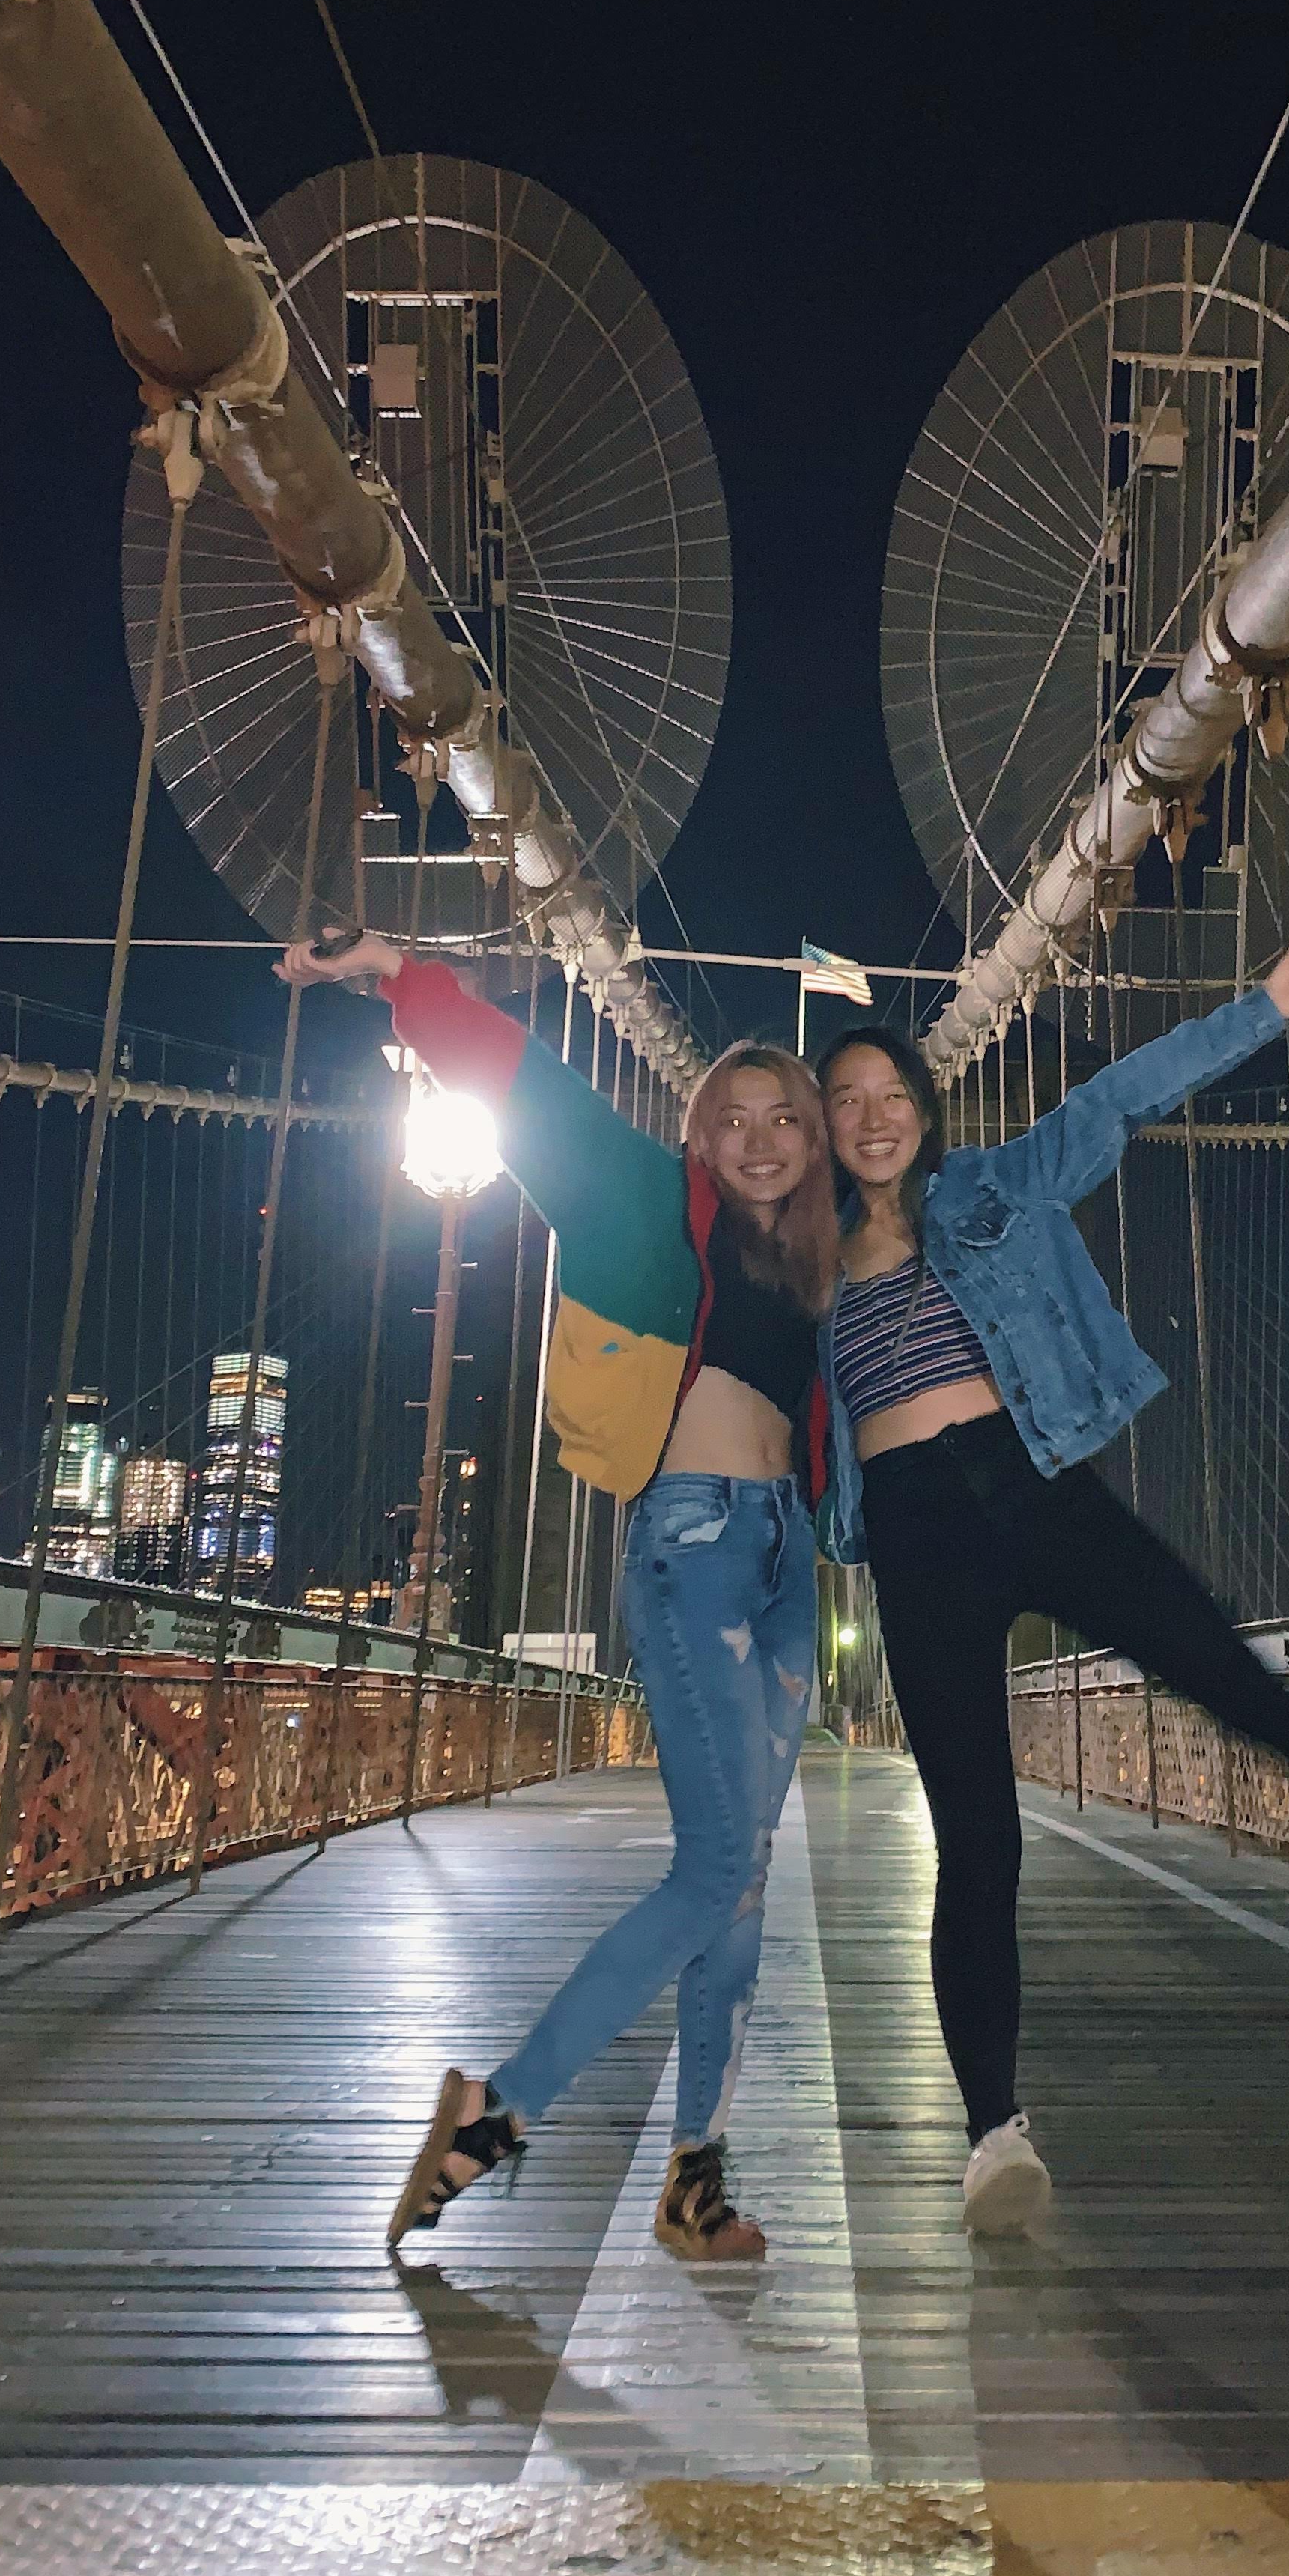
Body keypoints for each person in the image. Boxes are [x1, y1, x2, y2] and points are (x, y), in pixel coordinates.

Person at [815, 929, 1289, 2235]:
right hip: (915, 1548)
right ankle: (994, 2138)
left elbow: (1121, 1098)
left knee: (1232, 1684)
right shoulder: (801, 1273)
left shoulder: (1000, 1185)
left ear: (927, 1106)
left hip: (1035, 1492)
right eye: (844, 1101)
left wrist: (1270, 1005)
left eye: (890, 1094)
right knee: (981, 1840)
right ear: (824, 1127)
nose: (871, 1119)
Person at [276, 928, 837, 2262]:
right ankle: (496, 2108)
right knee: (713, 1869)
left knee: (743, 1883)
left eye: (787, 1120)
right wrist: (403, 979)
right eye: (732, 1118)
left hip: (785, 1564)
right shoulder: (650, 1203)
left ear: (818, 1139)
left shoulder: (830, 1259)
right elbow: (528, 1089)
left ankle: (696, 2180)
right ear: (699, 1134)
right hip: (694, 1546)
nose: (760, 1139)